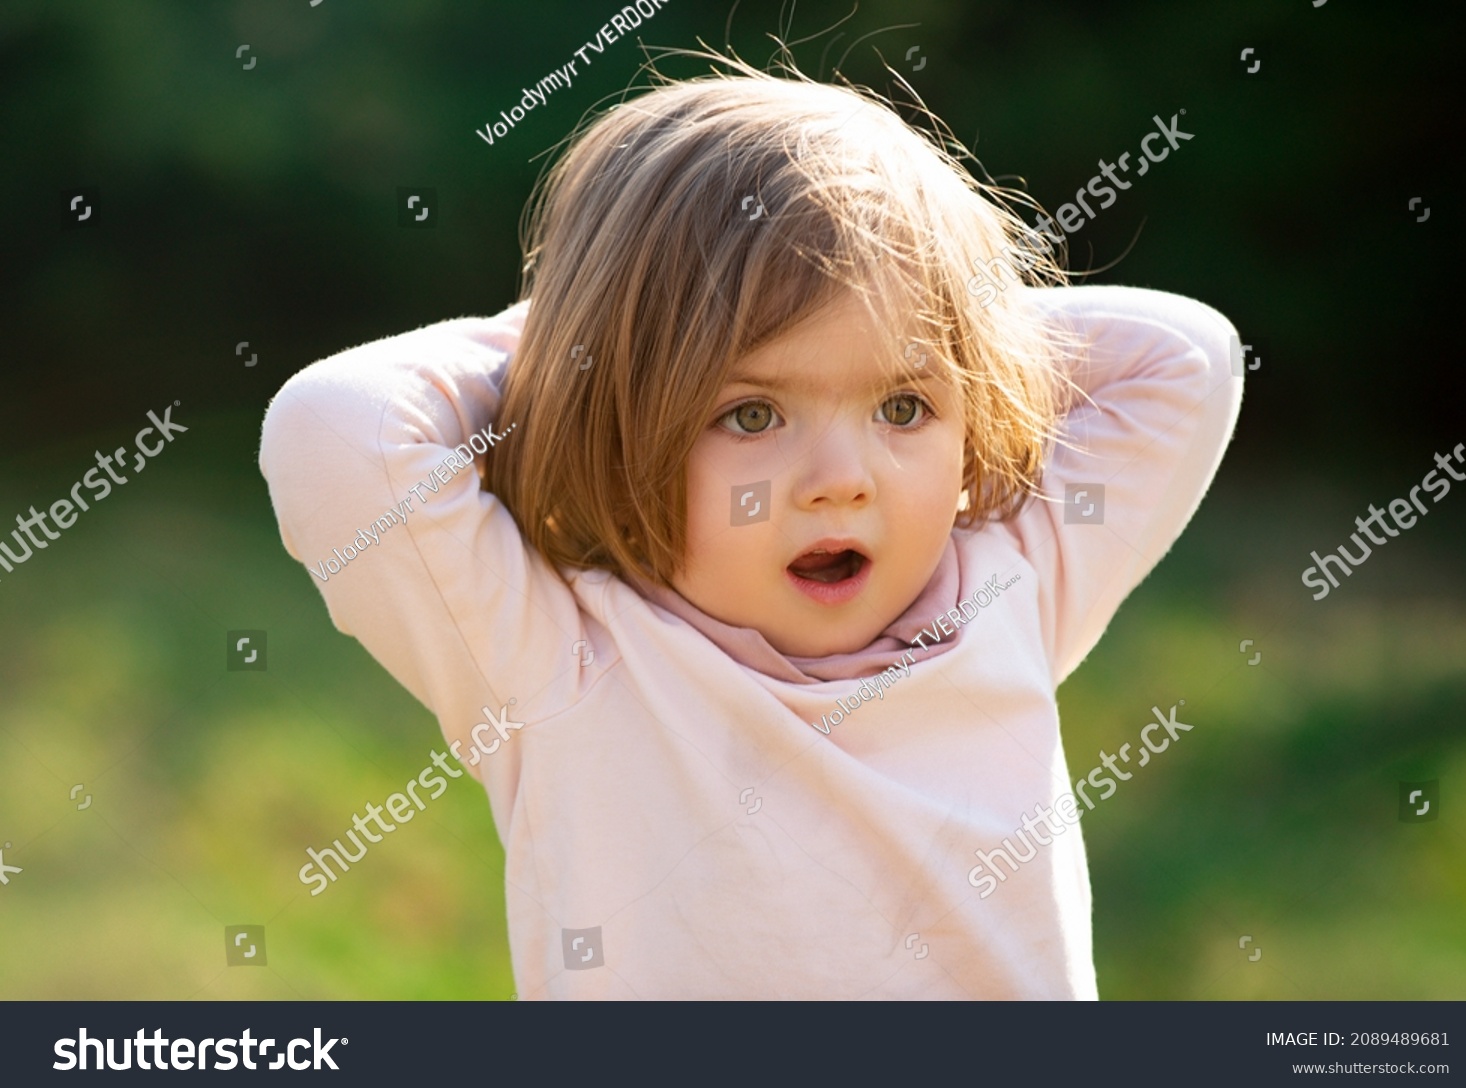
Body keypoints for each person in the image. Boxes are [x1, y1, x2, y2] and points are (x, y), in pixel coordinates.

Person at [259, 53, 1243, 998]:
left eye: (903, 408)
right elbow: (338, 434)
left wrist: (936, 298)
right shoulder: (562, 660)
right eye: (751, 415)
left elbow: (1185, 357)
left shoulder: (1006, 588)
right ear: (621, 414)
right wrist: (592, 330)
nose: (840, 483)